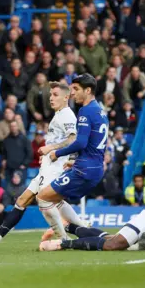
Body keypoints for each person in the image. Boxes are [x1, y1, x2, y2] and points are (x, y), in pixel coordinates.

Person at [0, 81, 83, 249]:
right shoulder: (59, 114)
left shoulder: (67, 115)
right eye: (50, 94)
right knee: (22, 200)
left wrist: (51, 148)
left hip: (55, 169)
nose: (51, 98)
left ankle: (64, 239)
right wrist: (47, 155)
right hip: (47, 166)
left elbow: (73, 139)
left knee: (46, 201)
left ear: (66, 97)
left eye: (55, 95)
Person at [37, 74, 108, 236]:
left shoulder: (85, 111)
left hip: (84, 169)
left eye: (76, 89)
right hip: (94, 167)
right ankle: (93, 234)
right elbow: (93, 143)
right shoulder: (100, 112)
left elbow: (80, 142)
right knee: (55, 199)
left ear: (88, 90)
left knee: (43, 197)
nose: (72, 93)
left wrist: (57, 152)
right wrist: (75, 161)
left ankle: (65, 238)